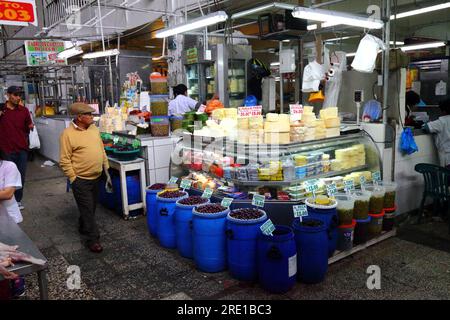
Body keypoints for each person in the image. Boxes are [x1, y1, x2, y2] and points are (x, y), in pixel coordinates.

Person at [59, 103, 112, 253]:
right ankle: (93, 239)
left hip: (97, 176)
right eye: (88, 114)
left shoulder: (94, 129)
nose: (92, 117)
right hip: (80, 179)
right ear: (79, 117)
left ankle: (83, 224)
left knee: (91, 207)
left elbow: (100, 149)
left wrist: (106, 168)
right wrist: (73, 178)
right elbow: (64, 159)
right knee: (88, 209)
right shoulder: (67, 134)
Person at [0, 86, 34, 210]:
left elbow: (28, 126)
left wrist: (30, 126)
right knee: (5, 177)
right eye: (15, 95)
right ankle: (5, 199)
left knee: (20, 176)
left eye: (19, 95)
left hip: (21, 149)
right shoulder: (2, 109)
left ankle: (18, 200)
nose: (18, 97)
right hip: (5, 149)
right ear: (8, 95)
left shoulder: (23, 111)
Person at [0, 148, 24, 296]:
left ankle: (18, 281)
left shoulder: (8, 166)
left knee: (12, 253)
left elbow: (8, 193)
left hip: (8, 218)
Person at [423, 98, 450, 169]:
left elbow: (427, 127)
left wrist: (428, 122)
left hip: (447, 157)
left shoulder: (442, 121)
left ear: (443, 111)